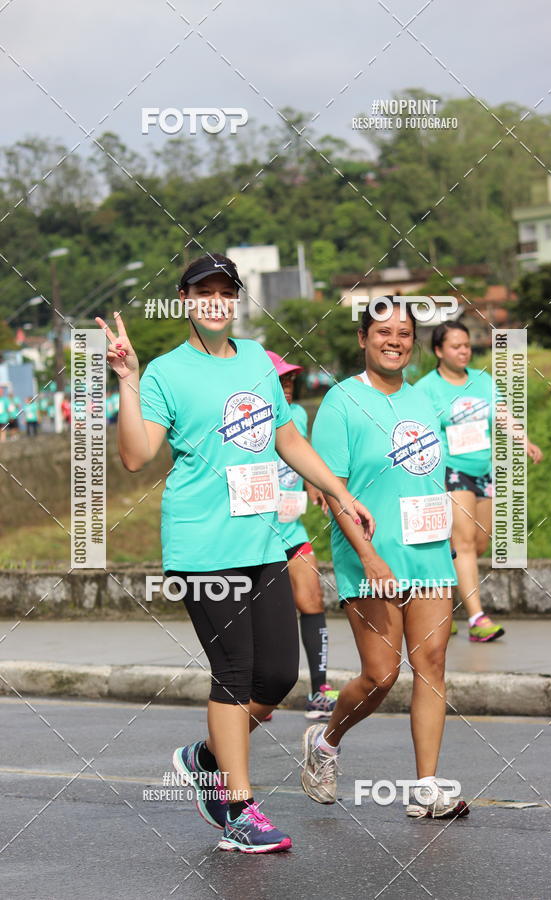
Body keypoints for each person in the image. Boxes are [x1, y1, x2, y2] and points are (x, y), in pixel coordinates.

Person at [96, 253, 374, 854]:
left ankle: (207, 756)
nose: (216, 301)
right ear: (185, 300)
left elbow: (285, 436)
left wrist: (340, 491)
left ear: (236, 300)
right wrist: (126, 378)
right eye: (204, 292)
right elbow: (137, 456)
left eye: (226, 292)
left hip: (262, 542)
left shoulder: (254, 359)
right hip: (202, 547)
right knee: (234, 672)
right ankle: (240, 811)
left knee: (275, 677)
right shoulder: (167, 373)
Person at [301, 297, 469, 819]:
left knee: (432, 664)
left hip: (429, 553)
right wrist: (370, 557)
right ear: (362, 339)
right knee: (380, 676)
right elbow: (334, 492)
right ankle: (325, 742)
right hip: (370, 557)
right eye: (383, 332)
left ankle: (426, 788)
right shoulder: (342, 402)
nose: (394, 340)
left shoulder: (423, 400)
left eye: (403, 333)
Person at [414, 322, 543, 641]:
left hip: (482, 470)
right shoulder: (426, 388)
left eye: (467, 345)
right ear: (438, 351)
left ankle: (443, 604)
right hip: (450, 470)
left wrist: (523, 439)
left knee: (479, 542)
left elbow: (501, 413)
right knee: (465, 542)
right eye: (455, 346)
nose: (463, 351)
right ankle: (477, 619)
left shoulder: (482, 381)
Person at [266, 350, 339, 720]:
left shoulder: (297, 415)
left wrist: (315, 485)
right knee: (261, 618)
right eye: (280, 382)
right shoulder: (248, 423)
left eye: (291, 381)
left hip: (292, 529)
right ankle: (256, 694)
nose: (288, 388)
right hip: (255, 538)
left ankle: (319, 690)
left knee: (312, 599)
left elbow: (299, 455)